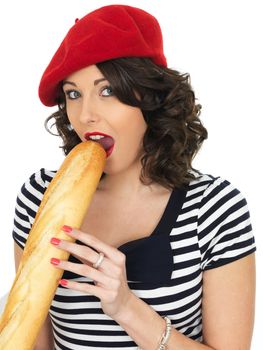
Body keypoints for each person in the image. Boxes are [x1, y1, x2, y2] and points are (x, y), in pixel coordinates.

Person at [12, 4, 256, 350]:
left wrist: (126, 307)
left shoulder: (214, 208)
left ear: (149, 98)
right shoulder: (40, 197)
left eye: (107, 90)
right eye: (73, 94)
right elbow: (33, 343)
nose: (86, 115)